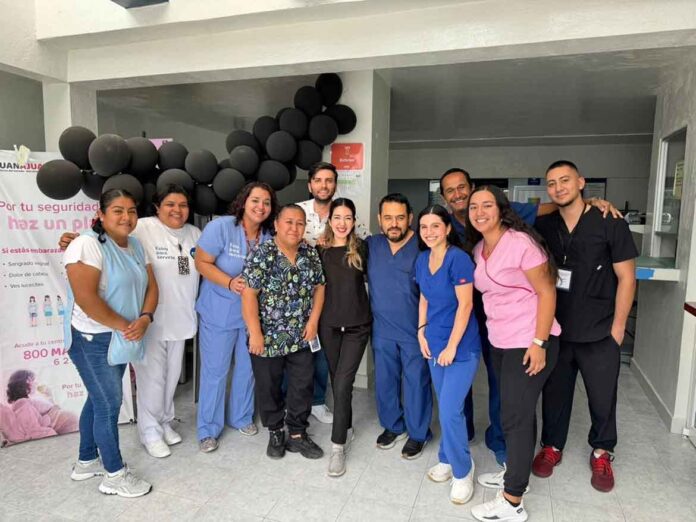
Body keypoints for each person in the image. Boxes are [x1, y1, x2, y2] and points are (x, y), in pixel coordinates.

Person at [439, 167, 621, 468]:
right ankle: (467, 433)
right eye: (450, 190)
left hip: (519, 324)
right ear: (444, 197)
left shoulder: (513, 234)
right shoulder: (447, 227)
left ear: (473, 189)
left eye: (462, 188)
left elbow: (546, 209)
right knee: (470, 378)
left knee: (506, 390)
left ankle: (504, 444)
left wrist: (587, 202)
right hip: (479, 316)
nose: (458, 195)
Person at [59, 184, 203, 459]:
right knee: (152, 380)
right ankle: (149, 431)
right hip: (145, 322)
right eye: (170, 204)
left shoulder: (194, 234)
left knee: (172, 377)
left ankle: (164, 421)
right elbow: (104, 238)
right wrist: (73, 240)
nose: (177, 210)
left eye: (183, 205)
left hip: (180, 317)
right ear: (157, 207)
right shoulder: (142, 228)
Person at [533, 160, 637, 492]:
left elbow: (627, 277)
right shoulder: (544, 224)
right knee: (555, 394)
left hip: (599, 330)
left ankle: (602, 452)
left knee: (602, 397)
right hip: (558, 329)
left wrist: (618, 327)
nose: (558, 187)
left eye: (565, 180)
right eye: (552, 183)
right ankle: (552, 446)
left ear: (580, 182)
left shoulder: (609, 222)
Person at [466, 185, 561, 522]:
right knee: (516, 412)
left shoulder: (521, 243)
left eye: (487, 205)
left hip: (528, 340)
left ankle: (512, 501)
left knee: (515, 418)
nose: (479, 212)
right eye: (473, 207)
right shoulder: (480, 249)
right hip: (501, 341)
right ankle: (516, 475)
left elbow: (547, 292)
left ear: (501, 209)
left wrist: (539, 343)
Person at [63, 188, 157, 498]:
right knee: (108, 404)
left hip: (121, 335)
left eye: (132, 211)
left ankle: (86, 461)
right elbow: (87, 299)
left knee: (97, 399)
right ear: (101, 215)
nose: (126, 217)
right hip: (92, 338)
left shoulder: (135, 245)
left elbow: (151, 286)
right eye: (118, 210)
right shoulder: (86, 245)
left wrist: (145, 317)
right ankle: (114, 475)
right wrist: (126, 326)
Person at [194, 182, 277, 453]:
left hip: (252, 315)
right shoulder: (221, 227)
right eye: (255, 200)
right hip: (219, 311)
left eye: (266, 202)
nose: (260, 207)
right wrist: (230, 283)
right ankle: (208, 429)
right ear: (243, 201)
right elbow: (201, 262)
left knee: (248, 367)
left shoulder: (269, 236)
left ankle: (241, 416)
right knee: (215, 371)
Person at [241, 204, 326, 460]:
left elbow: (319, 288)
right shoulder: (263, 253)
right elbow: (249, 295)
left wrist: (313, 322)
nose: (294, 228)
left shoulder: (309, 253)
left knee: (302, 385)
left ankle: (298, 434)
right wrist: (255, 333)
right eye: (289, 222)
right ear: (276, 225)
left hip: (301, 336)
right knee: (269, 387)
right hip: (267, 338)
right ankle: (276, 431)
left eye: (300, 223)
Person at [414, 205, 481, 505]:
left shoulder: (459, 259)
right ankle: (446, 456)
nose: (429, 232)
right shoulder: (422, 259)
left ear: (448, 228)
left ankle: (463, 470)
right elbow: (424, 298)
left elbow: (465, 305)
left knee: (452, 409)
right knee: (446, 406)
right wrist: (421, 330)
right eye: (424, 227)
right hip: (433, 342)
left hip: (461, 347)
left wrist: (452, 346)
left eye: (435, 226)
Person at [297, 161, 367, 424]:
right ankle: (296, 406)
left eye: (329, 180)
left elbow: (361, 248)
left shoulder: (345, 212)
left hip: (332, 303)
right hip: (301, 296)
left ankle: (318, 402)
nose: (323, 185)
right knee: (300, 356)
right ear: (310, 184)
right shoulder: (298, 211)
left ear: (335, 185)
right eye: (318, 180)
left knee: (324, 359)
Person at [366, 193, 432, 460]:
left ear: (410, 218)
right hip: (382, 330)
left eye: (400, 218)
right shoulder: (371, 245)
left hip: (415, 331)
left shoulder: (424, 246)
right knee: (385, 381)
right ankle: (393, 425)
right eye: (388, 218)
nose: (394, 223)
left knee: (416, 383)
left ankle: (418, 433)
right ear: (379, 219)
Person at [317, 198, 371, 477]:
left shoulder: (362, 248)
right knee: (338, 383)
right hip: (328, 326)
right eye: (337, 217)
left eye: (347, 218)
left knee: (342, 384)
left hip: (357, 326)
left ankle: (337, 447)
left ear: (354, 221)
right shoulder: (319, 250)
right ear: (329, 220)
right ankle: (346, 427)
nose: (342, 223)